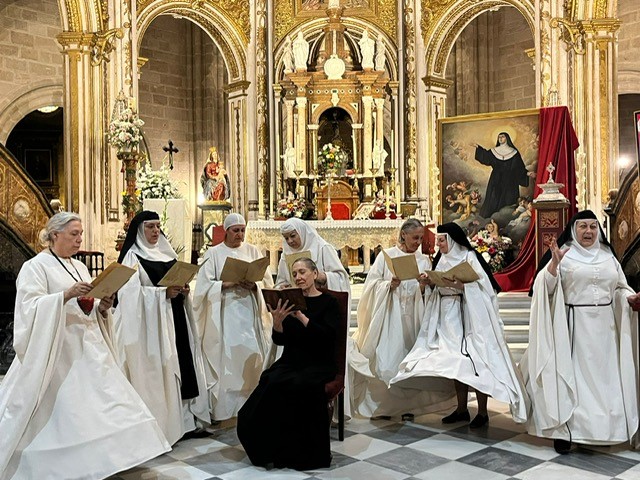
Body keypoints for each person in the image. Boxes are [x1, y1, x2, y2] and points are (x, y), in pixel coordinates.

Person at [0, 212, 170, 479]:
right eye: (74, 234)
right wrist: (64, 295)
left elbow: (87, 306)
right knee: (68, 412)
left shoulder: (79, 267)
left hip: (89, 344)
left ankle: (110, 458)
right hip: (56, 350)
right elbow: (28, 308)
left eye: (81, 234)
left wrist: (103, 306)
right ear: (54, 235)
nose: (80, 240)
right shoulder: (35, 266)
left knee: (108, 401)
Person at [520, 210, 639, 454]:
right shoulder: (566, 254)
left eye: (593, 227)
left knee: (604, 381)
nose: (588, 232)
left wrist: (629, 297)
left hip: (605, 331)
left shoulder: (608, 256)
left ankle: (601, 430)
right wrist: (553, 265)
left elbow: (619, 286)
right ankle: (566, 432)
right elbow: (546, 288)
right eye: (583, 226)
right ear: (574, 229)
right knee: (572, 378)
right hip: (573, 330)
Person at [391, 222, 527, 428]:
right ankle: (462, 409)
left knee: (478, 360)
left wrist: (462, 287)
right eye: (437, 241)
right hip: (447, 316)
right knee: (456, 362)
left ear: (452, 240)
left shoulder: (469, 257)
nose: (439, 245)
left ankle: (482, 412)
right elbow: (437, 284)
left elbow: (485, 287)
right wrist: (430, 283)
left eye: (442, 240)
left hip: (470, 316)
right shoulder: (440, 259)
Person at [114, 210, 210, 445]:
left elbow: (179, 282)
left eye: (158, 226)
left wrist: (184, 291)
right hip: (151, 327)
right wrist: (161, 294)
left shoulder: (166, 253)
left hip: (175, 318)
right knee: (164, 368)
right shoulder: (133, 257)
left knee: (183, 365)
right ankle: (166, 422)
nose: (156, 231)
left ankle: (186, 420)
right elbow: (128, 296)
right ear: (139, 230)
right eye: (150, 227)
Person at [237, 258, 338, 470]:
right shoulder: (290, 300)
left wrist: (301, 316)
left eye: (303, 272)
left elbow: (327, 339)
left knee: (299, 385)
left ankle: (300, 454)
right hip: (292, 359)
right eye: (295, 274)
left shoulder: (329, 302)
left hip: (319, 362)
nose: (299, 277)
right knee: (270, 380)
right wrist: (278, 322)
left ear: (314, 273)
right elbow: (281, 341)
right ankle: (270, 449)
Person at [349, 219, 455, 418]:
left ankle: (410, 407)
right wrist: (389, 284)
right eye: (415, 237)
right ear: (403, 234)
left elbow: (430, 292)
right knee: (389, 359)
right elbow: (371, 285)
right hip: (390, 315)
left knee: (412, 360)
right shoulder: (386, 256)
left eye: (421, 238)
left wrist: (424, 285)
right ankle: (384, 407)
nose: (418, 242)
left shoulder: (423, 260)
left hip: (415, 317)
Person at [193, 213, 274, 421]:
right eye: (235, 230)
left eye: (242, 230)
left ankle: (253, 404)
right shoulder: (213, 254)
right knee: (229, 358)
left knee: (252, 356)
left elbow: (266, 283)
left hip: (249, 310)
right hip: (225, 312)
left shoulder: (253, 251)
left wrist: (255, 286)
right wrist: (224, 284)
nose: (239, 235)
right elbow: (203, 286)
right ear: (226, 231)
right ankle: (227, 409)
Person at [275, 217, 350, 294]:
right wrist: (282, 287)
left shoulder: (323, 248)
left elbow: (341, 278)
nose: (290, 241)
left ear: (302, 232)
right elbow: (280, 283)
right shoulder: (285, 255)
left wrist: (322, 277)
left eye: (293, 236)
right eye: (286, 238)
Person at [473, 132, 535, 218]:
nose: (500, 138)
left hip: (510, 181)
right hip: (496, 180)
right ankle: (492, 218)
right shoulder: (494, 151)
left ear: (507, 138)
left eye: (503, 137)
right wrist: (478, 147)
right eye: (499, 137)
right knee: (494, 198)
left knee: (509, 200)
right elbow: (486, 156)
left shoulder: (514, 152)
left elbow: (519, 168)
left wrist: (528, 173)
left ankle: (506, 218)